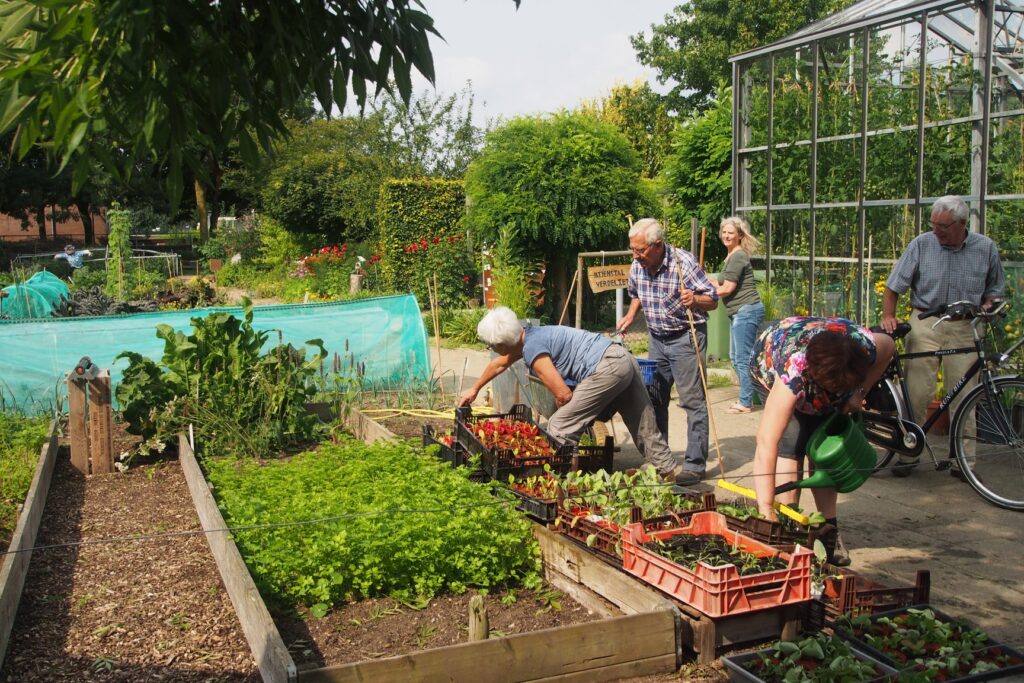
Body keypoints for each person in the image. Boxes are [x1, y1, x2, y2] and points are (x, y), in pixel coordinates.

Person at [457, 306, 690, 484]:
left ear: (501, 343)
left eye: (490, 346)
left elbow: (563, 394)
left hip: (607, 367)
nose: (492, 350)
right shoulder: (530, 335)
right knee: (641, 418)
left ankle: (564, 482)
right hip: (621, 357)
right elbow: (499, 365)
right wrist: (475, 388)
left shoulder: (532, 350)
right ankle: (664, 469)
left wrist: (567, 412)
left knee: (559, 426)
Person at [751, 317, 895, 566]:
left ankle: (829, 531)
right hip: (772, 357)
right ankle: (789, 524)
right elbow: (766, 444)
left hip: (830, 360)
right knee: (791, 444)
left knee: (824, 448)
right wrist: (765, 509)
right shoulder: (793, 373)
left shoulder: (864, 347)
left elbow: (889, 346)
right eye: (832, 389)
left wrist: (860, 392)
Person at [880, 195, 1005, 478]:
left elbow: (995, 289)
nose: (936, 231)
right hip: (926, 322)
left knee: (965, 395)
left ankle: (963, 462)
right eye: (934, 225)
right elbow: (893, 286)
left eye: (943, 226)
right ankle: (908, 453)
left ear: (961, 224)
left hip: (964, 326)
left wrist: (988, 305)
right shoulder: (922, 244)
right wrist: (889, 315)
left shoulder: (984, 248)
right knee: (917, 391)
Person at [616, 218, 719, 486]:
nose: (635, 256)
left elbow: (713, 299)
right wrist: (630, 315)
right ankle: (660, 461)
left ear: (657, 245)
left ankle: (695, 464)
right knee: (654, 400)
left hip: (686, 339)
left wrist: (695, 299)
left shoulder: (683, 263)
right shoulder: (638, 265)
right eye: (633, 250)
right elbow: (636, 293)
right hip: (656, 339)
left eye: (640, 250)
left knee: (692, 402)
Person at [714, 216, 765, 414]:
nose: (726, 235)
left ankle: (745, 402)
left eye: (731, 233)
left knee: (742, 359)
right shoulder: (731, 256)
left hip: (746, 310)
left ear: (740, 235)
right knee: (737, 358)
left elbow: (726, 289)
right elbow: (720, 283)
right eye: (724, 232)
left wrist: (699, 295)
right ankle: (756, 396)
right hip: (740, 312)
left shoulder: (737, 256)